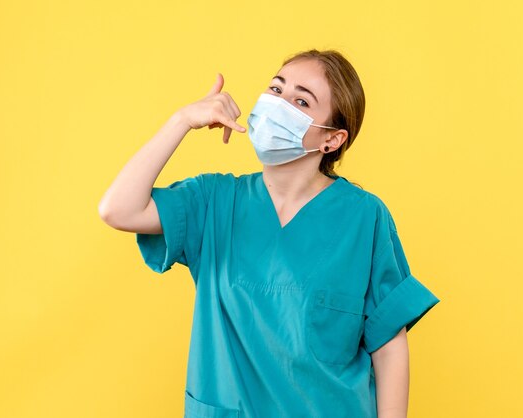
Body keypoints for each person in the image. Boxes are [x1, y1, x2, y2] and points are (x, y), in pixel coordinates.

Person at [99, 49, 440, 418]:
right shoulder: (214, 202)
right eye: (276, 90)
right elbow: (117, 209)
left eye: (301, 101)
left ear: (333, 139)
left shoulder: (365, 217)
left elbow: (388, 344)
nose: (279, 105)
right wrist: (181, 120)